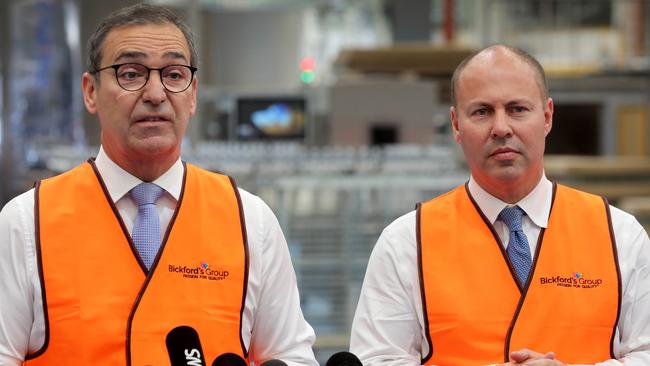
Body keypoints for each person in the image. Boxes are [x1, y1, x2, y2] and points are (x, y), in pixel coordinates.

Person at [0, 4, 317, 365]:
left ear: (193, 93)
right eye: (131, 73)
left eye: (174, 74)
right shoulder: (27, 222)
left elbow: (290, 356)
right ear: (90, 91)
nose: (155, 93)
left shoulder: (250, 221)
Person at [350, 44, 650, 365]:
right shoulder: (407, 243)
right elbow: (376, 360)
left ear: (547, 116)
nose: (502, 128)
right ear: (455, 124)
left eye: (517, 109)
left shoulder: (619, 235)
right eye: (482, 112)